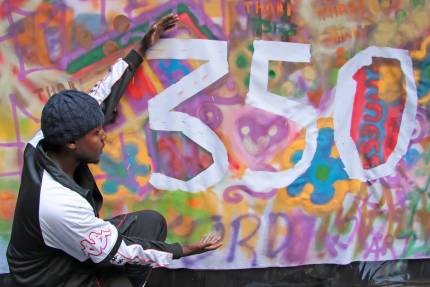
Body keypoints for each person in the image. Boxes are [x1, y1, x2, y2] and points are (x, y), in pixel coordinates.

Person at [6, 14, 222, 287]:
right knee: (125, 259)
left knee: (150, 223)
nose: (104, 137)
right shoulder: (58, 204)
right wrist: (186, 249)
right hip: (49, 276)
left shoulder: (47, 138)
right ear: (72, 142)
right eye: (96, 134)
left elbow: (101, 95)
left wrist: (142, 48)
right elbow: (118, 250)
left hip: (65, 247)